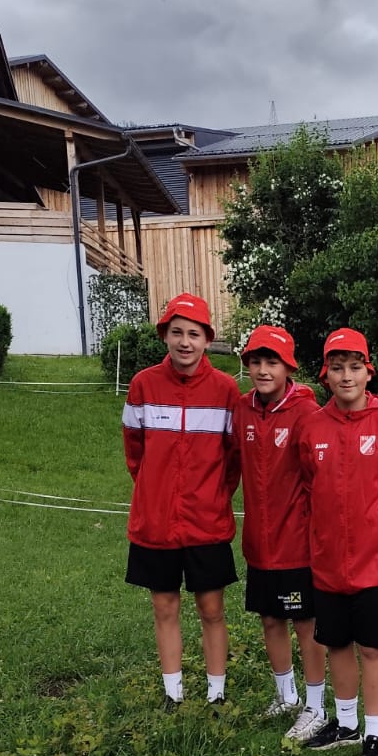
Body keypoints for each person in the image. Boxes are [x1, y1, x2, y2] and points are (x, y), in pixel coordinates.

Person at [296, 327, 378, 756]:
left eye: (354, 367)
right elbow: (309, 483)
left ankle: (374, 734)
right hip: (327, 562)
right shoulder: (312, 427)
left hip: (374, 565)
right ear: (325, 374)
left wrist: (376, 523)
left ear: (369, 373)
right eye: (336, 368)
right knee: (336, 644)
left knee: (372, 648)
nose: (345, 376)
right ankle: (345, 724)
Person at [122, 293, 241, 708]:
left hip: (206, 523)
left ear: (208, 339)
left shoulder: (226, 390)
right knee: (164, 607)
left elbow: (233, 460)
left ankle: (216, 694)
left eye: (194, 334)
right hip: (155, 524)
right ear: (165, 336)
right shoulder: (143, 384)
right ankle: (173, 694)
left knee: (211, 609)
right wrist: (155, 491)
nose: (185, 342)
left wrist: (211, 496)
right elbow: (135, 452)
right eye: (177, 333)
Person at [236, 324, 328, 745]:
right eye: (255, 361)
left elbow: (320, 477)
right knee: (271, 619)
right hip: (259, 542)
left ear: (288, 367)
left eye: (271, 361)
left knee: (305, 623)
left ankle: (316, 706)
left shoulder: (307, 413)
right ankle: (286, 696)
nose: (262, 369)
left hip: (297, 544)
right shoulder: (242, 409)